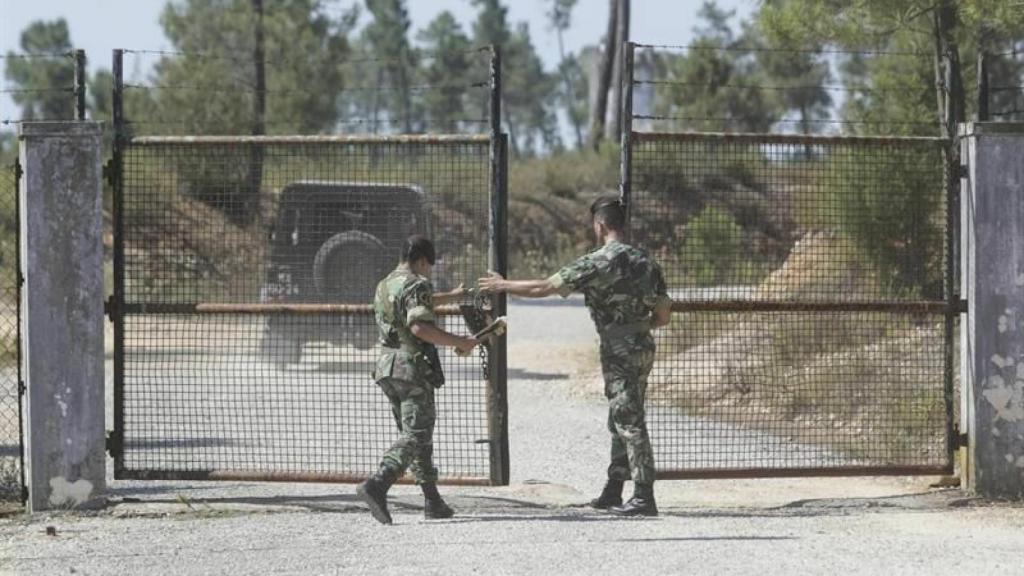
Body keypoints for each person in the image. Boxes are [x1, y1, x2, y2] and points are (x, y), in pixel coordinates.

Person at [478, 196, 671, 516]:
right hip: (642, 345)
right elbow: (663, 314)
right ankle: (614, 489)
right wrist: (638, 327)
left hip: (617, 349)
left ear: (600, 225)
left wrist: (503, 285)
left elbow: (544, 287)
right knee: (621, 415)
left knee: (629, 420)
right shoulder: (645, 261)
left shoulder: (597, 262)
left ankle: (643, 495)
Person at [357, 235, 479, 525]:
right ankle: (378, 482)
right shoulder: (417, 282)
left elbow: (413, 303)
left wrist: (451, 296)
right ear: (422, 260)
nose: (429, 273)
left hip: (388, 367)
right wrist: (460, 341)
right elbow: (419, 326)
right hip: (411, 368)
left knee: (414, 436)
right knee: (417, 434)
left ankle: (432, 500)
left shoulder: (386, 283)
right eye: (429, 267)